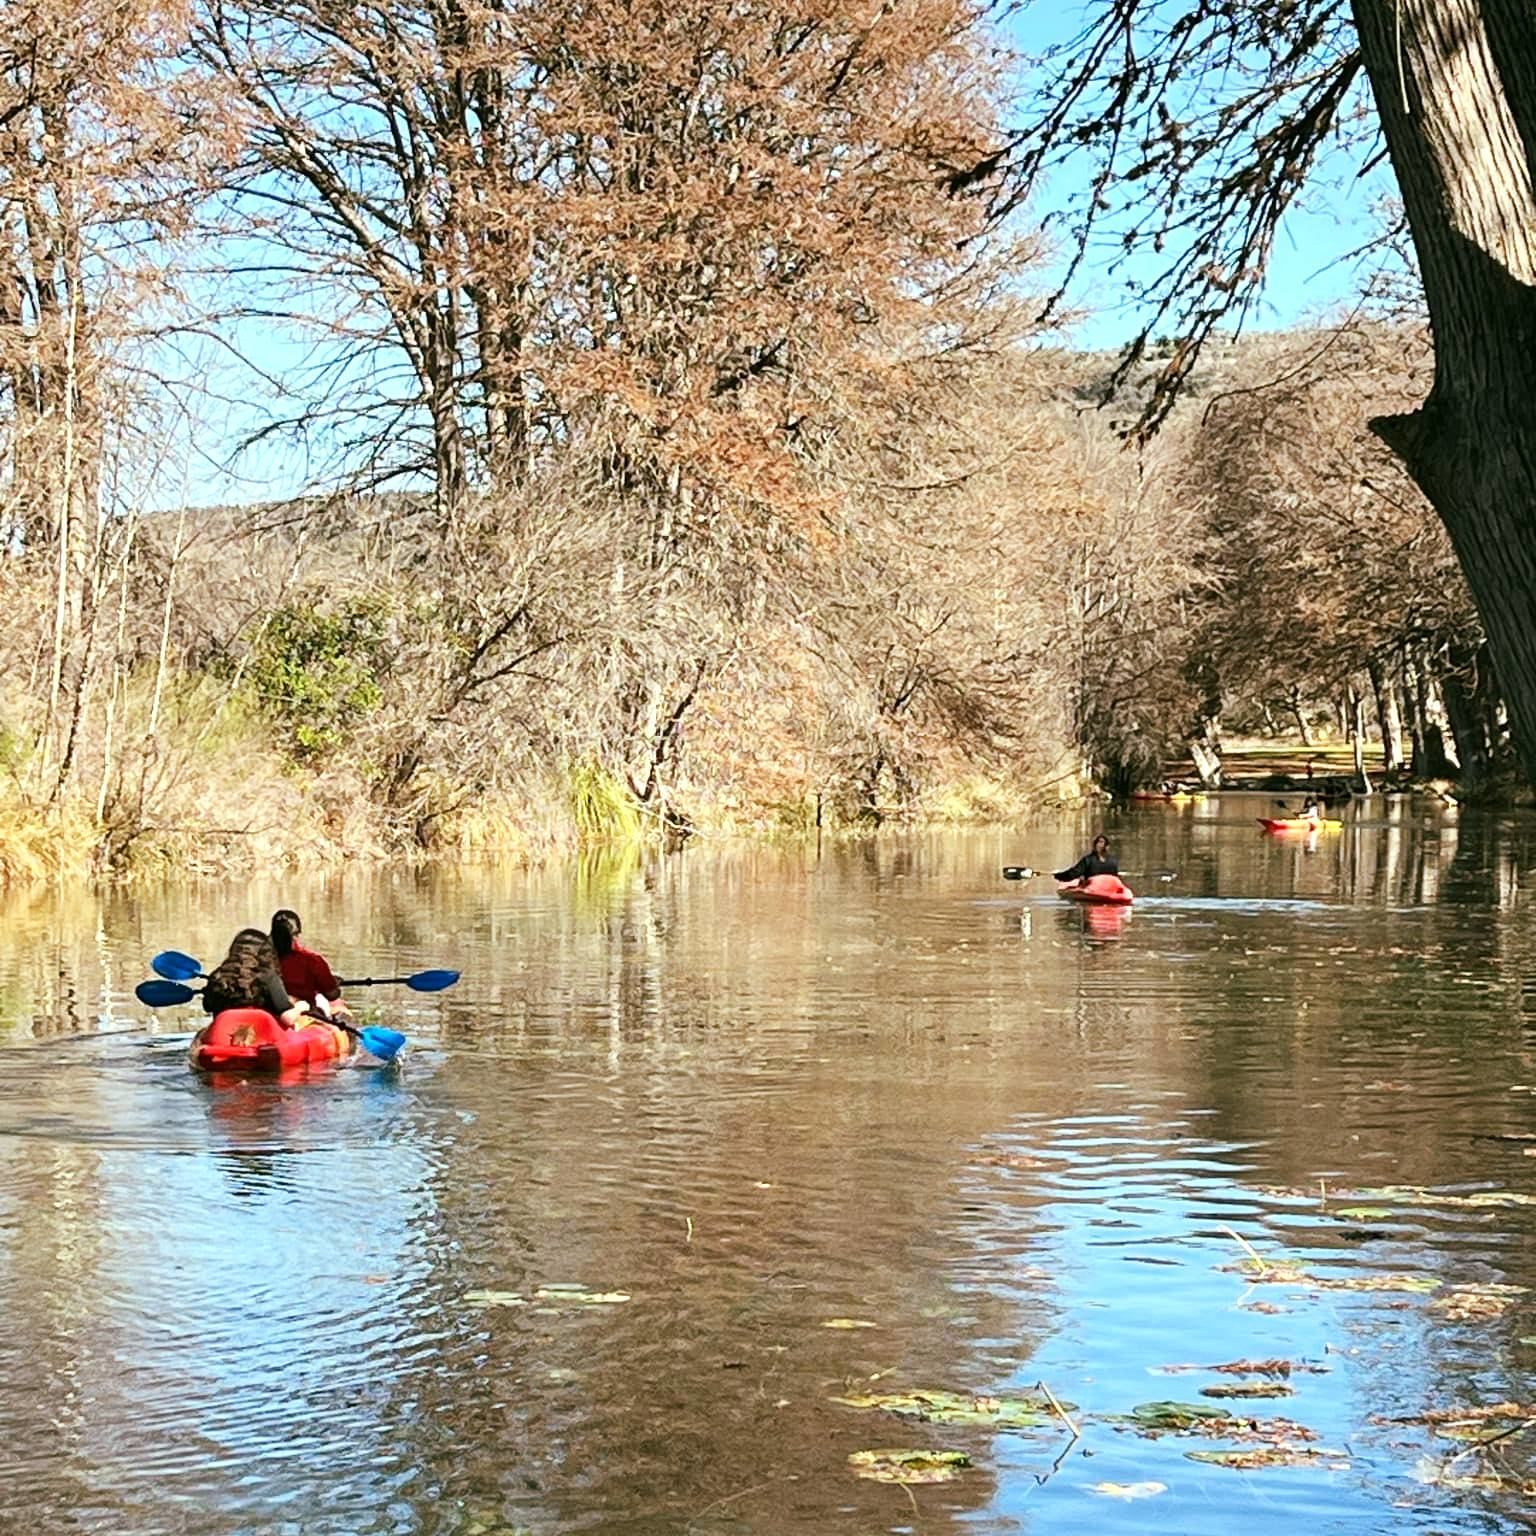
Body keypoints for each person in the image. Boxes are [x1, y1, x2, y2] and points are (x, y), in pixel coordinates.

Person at [200, 928, 310, 1031]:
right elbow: (288, 1018)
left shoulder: (217, 976)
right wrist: (301, 1006)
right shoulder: (268, 977)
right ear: (266, 954)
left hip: (221, 1039)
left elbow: (207, 1006)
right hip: (259, 1039)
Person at [270, 909, 350, 1016]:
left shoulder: (259, 957)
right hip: (303, 1013)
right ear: (296, 934)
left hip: (270, 1012)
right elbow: (332, 995)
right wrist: (334, 984)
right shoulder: (312, 961)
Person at [1054, 834, 1118, 884]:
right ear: (1107, 847)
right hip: (1109, 888)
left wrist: (1058, 876)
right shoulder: (1113, 861)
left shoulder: (1088, 860)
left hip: (1092, 887)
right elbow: (1115, 877)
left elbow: (1073, 873)